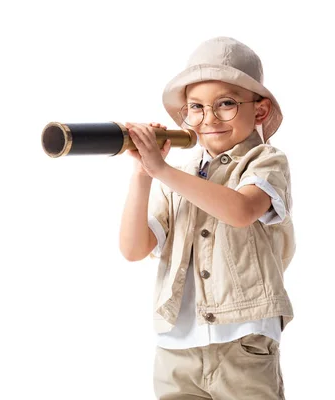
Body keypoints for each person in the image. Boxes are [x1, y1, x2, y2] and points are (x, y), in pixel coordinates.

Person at [118, 36, 295, 399]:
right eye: (195, 108)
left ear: (259, 111)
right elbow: (133, 248)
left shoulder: (265, 161)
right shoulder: (175, 177)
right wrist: (143, 175)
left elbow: (241, 210)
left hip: (243, 341)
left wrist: (162, 170)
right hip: (176, 348)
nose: (209, 118)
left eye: (226, 104)